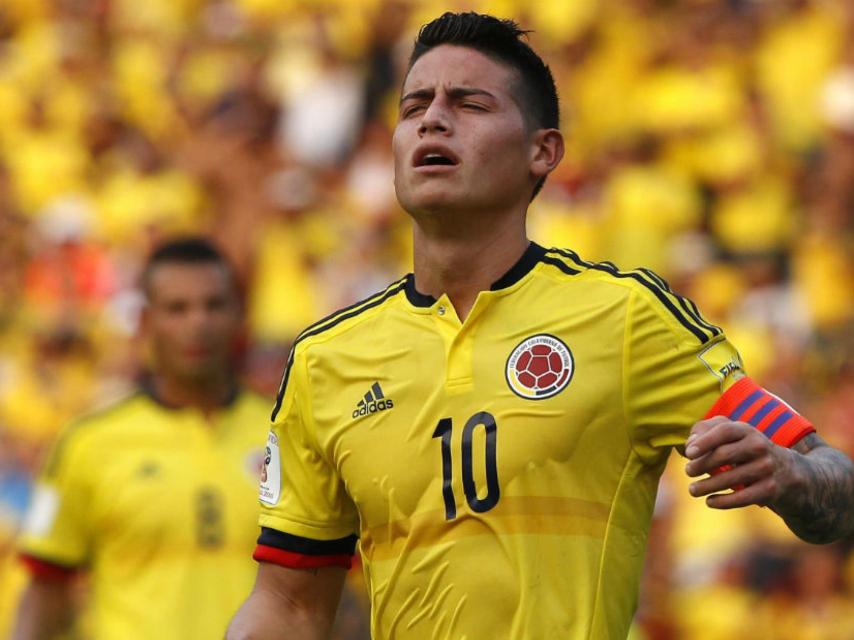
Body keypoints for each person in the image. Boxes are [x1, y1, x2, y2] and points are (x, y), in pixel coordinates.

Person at [227, 12, 854, 640]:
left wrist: (792, 476)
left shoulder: (627, 317)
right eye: (414, 104)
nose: (432, 118)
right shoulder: (325, 359)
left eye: (469, 103)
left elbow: (835, 484)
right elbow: (288, 604)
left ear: (542, 151)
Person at [14, 238, 272, 639]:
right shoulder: (87, 443)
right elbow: (46, 591)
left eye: (213, 305)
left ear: (239, 316)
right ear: (145, 323)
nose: (197, 324)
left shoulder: (286, 433)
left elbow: (332, 589)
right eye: (177, 309)